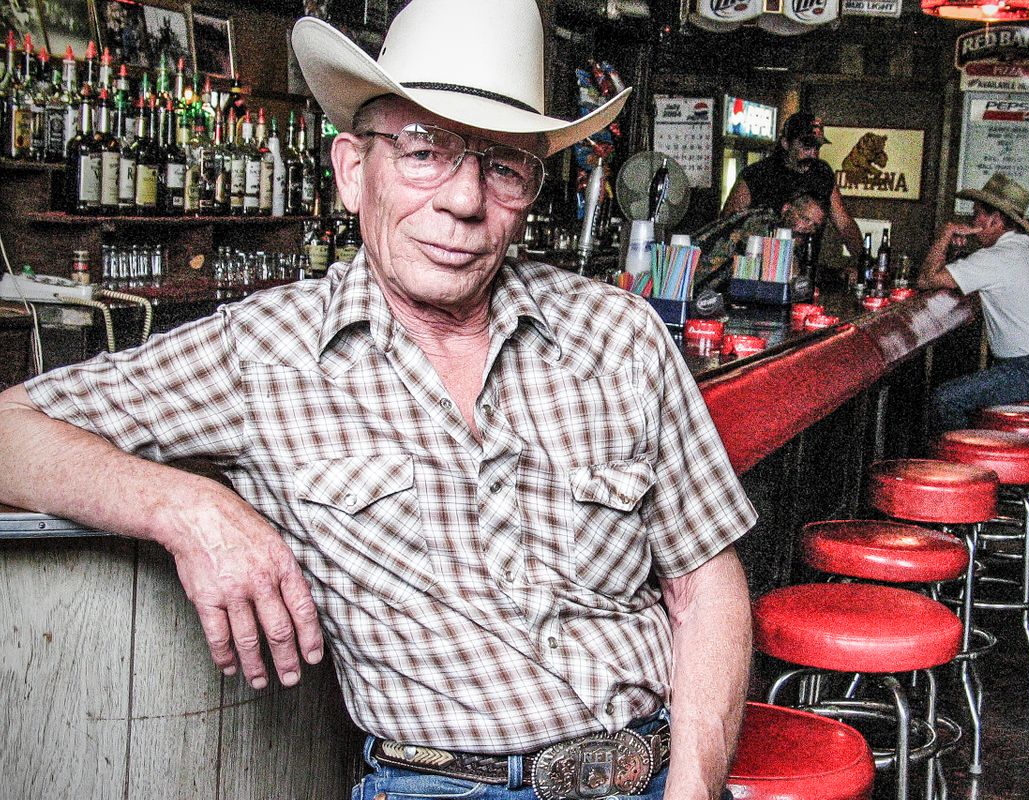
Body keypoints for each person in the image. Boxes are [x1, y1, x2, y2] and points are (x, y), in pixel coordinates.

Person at [0, 3, 758, 800]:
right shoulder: (264, 352)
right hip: (443, 787)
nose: (465, 200)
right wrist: (186, 508)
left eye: (503, 166)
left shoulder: (619, 335)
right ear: (352, 169)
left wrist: (693, 790)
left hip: (657, 770)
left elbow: (705, 583)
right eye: (425, 151)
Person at [917, 172, 1029, 431]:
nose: (971, 221)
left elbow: (925, 280)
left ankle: (964, 470)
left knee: (946, 399)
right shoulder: (1023, 246)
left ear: (994, 220)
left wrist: (945, 233)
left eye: (976, 214)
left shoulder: (998, 257)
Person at [720, 111, 862, 260]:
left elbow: (844, 224)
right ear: (785, 143)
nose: (813, 154)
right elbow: (727, 226)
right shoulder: (757, 174)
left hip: (804, 270)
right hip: (759, 268)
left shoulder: (822, 173)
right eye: (806, 146)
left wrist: (862, 262)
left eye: (817, 147)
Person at [692, 187, 828, 295]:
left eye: (815, 225)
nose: (809, 228)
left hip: (708, 292)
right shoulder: (762, 224)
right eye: (805, 219)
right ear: (786, 209)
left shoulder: (789, 233)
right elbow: (790, 276)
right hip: (691, 285)